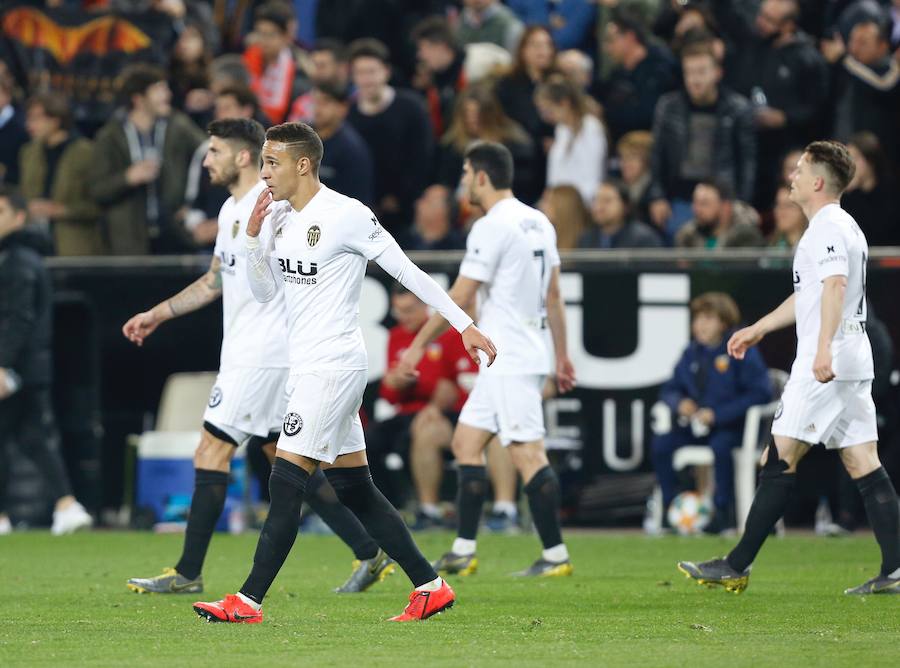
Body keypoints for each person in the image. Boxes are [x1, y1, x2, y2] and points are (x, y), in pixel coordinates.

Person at [192, 121, 496, 623]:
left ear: (303, 164)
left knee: (286, 481)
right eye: (263, 161)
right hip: (306, 367)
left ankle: (246, 602)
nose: (263, 172)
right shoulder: (279, 217)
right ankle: (431, 585)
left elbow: (408, 271)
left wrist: (464, 325)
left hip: (332, 368)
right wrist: (251, 239)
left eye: (271, 162)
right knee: (355, 487)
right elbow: (265, 292)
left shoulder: (347, 215)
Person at [122, 119, 390, 596]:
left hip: (263, 356)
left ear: (243, 157)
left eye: (214, 151)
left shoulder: (273, 209)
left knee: (211, 449)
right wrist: (157, 314)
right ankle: (371, 550)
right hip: (255, 353)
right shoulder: (232, 210)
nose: (207, 161)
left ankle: (187, 573)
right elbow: (214, 279)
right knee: (287, 463)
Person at [678, 140, 900, 596]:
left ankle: (736, 564)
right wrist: (759, 327)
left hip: (829, 360)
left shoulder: (826, 227)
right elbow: (814, 295)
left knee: (777, 457)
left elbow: (836, 287)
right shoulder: (840, 225)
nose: (792, 177)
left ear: (818, 181)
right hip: (852, 356)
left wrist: (822, 350)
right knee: (863, 461)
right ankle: (895, 571)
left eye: (799, 170)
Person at [398, 141, 577, 577]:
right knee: (466, 443)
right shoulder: (539, 221)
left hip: (509, 356)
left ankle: (555, 556)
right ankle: (463, 549)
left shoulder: (491, 225)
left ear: (481, 176)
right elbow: (553, 295)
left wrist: (418, 345)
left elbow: (460, 296)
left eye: (464, 174)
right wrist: (562, 355)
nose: (463, 183)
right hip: (518, 353)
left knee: (527, 453)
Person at [372, 284, 517, 531]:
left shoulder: (449, 334)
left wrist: (431, 399)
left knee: (487, 431)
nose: (404, 317)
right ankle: (405, 510)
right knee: (371, 440)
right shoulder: (396, 336)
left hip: (452, 412)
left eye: (409, 310)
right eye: (399, 312)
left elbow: (449, 385)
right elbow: (389, 393)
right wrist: (395, 383)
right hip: (411, 412)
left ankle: (505, 511)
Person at [0, 185, 93, 536]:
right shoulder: (22, 258)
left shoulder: (17, 261)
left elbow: (18, 318)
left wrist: (3, 365)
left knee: (30, 437)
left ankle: (65, 505)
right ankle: (63, 506)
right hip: (27, 366)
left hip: (19, 369)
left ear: (20, 217)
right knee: (30, 437)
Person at [651, 292, 772, 534]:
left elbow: (761, 393)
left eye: (708, 318)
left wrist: (718, 415)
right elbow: (669, 389)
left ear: (724, 323)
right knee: (661, 444)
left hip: (733, 427)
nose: (700, 325)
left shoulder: (741, 348)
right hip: (698, 427)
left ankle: (722, 513)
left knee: (721, 446)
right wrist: (680, 403)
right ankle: (670, 507)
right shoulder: (691, 352)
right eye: (697, 319)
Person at [89, 64, 206, 255]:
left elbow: (209, 155)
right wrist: (127, 178)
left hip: (174, 234)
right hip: (128, 239)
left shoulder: (178, 125)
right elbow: (97, 190)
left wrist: (192, 204)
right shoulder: (110, 136)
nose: (167, 95)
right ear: (139, 99)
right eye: (159, 90)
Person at [648, 41, 756, 241]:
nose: (694, 79)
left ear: (717, 73)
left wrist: (742, 201)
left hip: (722, 200)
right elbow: (657, 156)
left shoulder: (738, 108)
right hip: (679, 200)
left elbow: (747, 162)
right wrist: (657, 196)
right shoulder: (668, 107)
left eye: (701, 72)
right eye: (689, 72)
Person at [346, 38, 434, 242]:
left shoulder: (412, 107)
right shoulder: (348, 116)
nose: (366, 79)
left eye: (372, 72)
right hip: (365, 214)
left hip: (408, 213)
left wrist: (402, 197)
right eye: (360, 73)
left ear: (386, 71)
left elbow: (422, 157)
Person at [19, 92, 105, 256]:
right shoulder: (28, 152)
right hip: (35, 244)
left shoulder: (86, 152)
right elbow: (24, 192)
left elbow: (98, 203)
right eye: (28, 118)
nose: (29, 124)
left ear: (55, 120)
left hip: (75, 246)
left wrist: (61, 210)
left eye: (35, 118)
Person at [436, 84, 537, 206]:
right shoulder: (451, 146)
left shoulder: (513, 146)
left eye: (477, 113)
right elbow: (445, 182)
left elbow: (522, 185)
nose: (472, 119)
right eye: (467, 113)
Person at [599, 7, 677, 144]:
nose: (607, 48)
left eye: (611, 40)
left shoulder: (660, 66)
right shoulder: (617, 74)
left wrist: (612, 114)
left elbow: (650, 114)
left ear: (630, 37)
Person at [535, 74, 607, 205]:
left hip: (579, 205)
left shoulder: (590, 128)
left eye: (548, 110)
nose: (545, 117)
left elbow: (592, 176)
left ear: (565, 103)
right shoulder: (561, 130)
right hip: (559, 204)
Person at [311, 82, 374, 206]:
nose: (317, 108)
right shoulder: (303, 138)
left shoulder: (352, 149)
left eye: (325, 102)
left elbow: (357, 202)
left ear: (342, 108)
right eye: (315, 102)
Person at [243, 2, 305, 125]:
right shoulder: (245, 61)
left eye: (270, 35)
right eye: (260, 33)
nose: (264, 41)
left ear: (286, 36)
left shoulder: (298, 77)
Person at [842, 132, 899, 247]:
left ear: (870, 160)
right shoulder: (847, 197)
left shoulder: (893, 194)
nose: (850, 165)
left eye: (855, 158)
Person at [675, 181, 764, 249]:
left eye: (704, 203)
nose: (696, 209)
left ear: (725, 207)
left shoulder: (746, 236)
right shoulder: (688, 236)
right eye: (695, 203)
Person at [579, 180, 661, 249]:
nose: (599, 207)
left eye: (607, 201)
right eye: (596, 200)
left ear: (626, 206)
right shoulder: (586, 239)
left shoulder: (643, 239)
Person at [538, 184, 590, 250]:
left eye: (547, 201)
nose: (541, 205)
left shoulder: (585, 242)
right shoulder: (544, 237)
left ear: (563, 207)